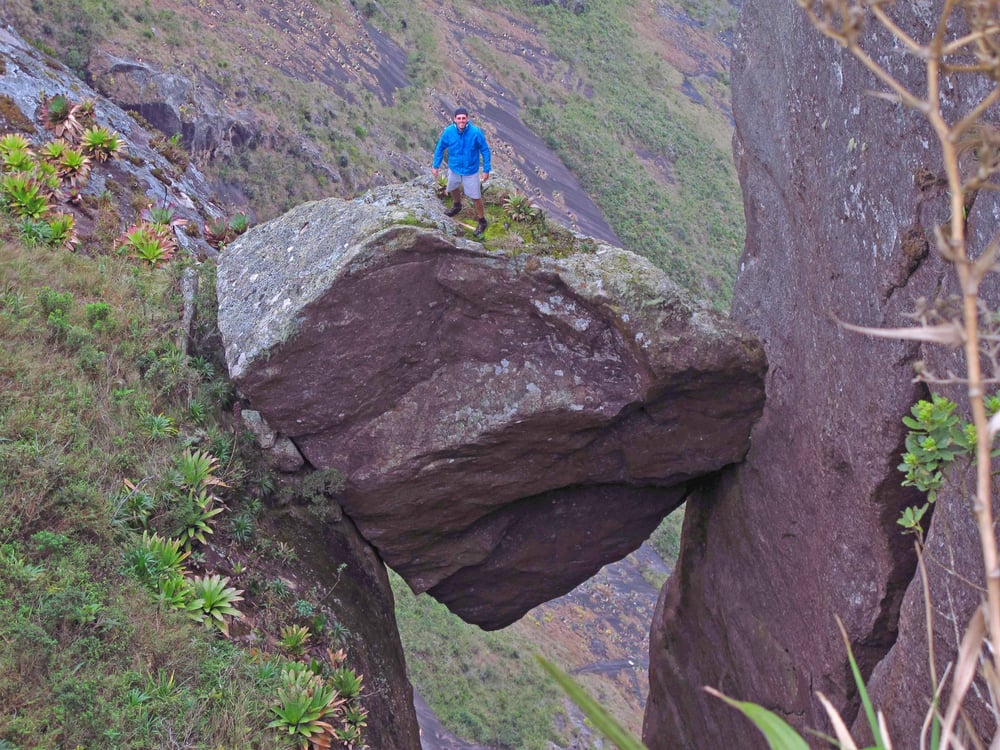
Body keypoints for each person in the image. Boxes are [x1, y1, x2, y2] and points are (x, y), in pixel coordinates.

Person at [432, 107, 492, 238]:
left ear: (467, 119)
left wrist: (486, 169)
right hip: (454, 167)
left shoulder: (475, 132)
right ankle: (457, 205)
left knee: (475, 197)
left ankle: (482, 221)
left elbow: (485, 150)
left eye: (463, 118)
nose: (461, 121)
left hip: (470, 170)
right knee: (452, 187)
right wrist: (435, 165)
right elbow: (440, 147)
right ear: (454, 119)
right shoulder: (449, 132)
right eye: (459, 118)